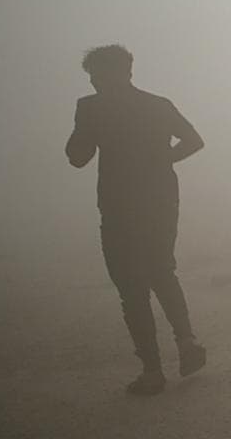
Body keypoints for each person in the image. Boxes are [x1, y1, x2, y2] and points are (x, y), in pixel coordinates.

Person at [65, 44, 207, 395]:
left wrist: (86, 131)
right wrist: (163, 162)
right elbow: (194, 141)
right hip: (161, 200)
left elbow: (77, 157)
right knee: (162, 271)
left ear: (105, 74)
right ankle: (186, 341)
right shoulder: (158, 104)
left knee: (131, 289)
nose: (95, 82)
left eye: (96, 75)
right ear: (129, 70)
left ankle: (153, 372)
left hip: (118, 207)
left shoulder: (91, 107)